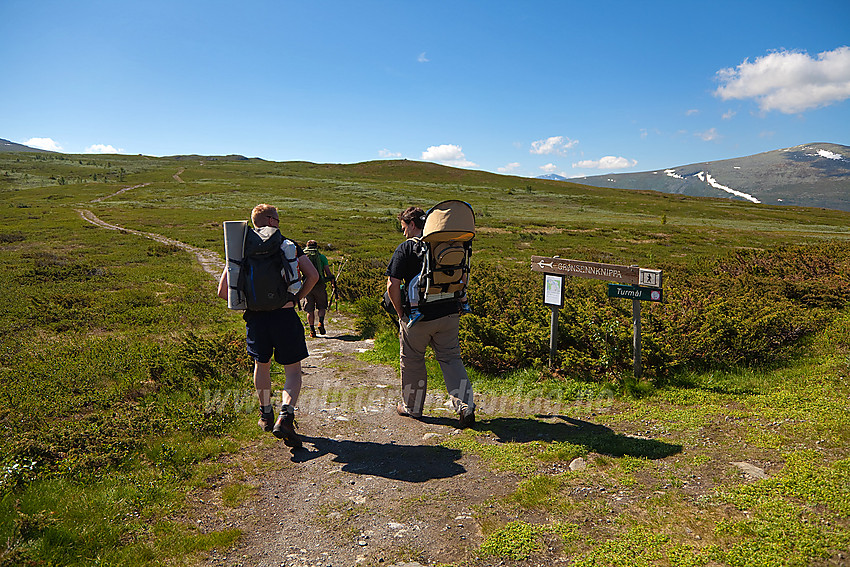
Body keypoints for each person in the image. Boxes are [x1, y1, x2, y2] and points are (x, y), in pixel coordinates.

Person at [217, 204, 319, 449]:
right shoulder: (288, 244)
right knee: (293, 371)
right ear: (272, 220)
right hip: (284, 316)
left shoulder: (240, 247)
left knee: (261, 365)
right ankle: (286, 415)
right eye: (277, 218)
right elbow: (313, 276)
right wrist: (295, 298)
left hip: (255, 319)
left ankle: (265, 414)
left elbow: (222, 291)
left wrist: (250, 304)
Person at [385, 206, 476, 428]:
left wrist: (401, 313)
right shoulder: (445, 245)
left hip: (418, 317)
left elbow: (392, 285)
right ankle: (465, 405)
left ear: (413, 224)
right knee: (451, 359)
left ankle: (412, 407)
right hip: (449, 313)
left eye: (404, 227)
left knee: (412, 360)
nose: (404, 232)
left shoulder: (406, 248)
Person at [301, 239, 337, 337]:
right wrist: (333, 283)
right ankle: (320, 322)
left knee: (309, 309)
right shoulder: (322, 257)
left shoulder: (303, 257)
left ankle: (312, 330)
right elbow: (328, 273)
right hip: (320, 284)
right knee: (321, 306)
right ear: (316, 247)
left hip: (307, 285)